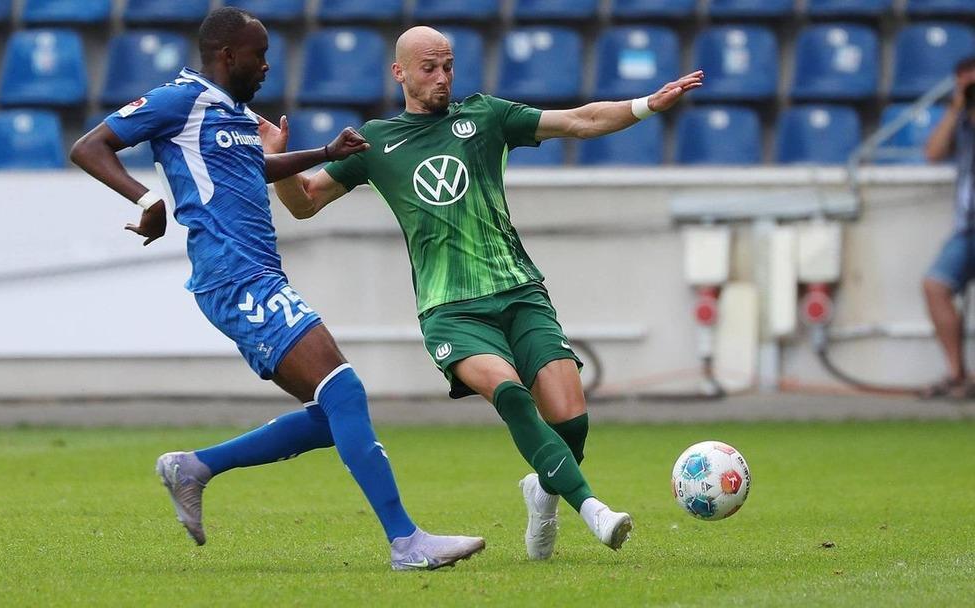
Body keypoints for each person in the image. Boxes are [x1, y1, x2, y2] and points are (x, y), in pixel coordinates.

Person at [69, 8, 484, 571]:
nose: (268, 66)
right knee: (345, 390)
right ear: (227, 56)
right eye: (259, 55)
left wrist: (323, 155)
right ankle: (406, 542)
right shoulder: (178, 100)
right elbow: (90, 146)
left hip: (257, 272)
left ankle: (193, 467)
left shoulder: (232, 112)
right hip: (233, 274)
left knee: (328, 412)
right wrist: (147, 200)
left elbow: (250, 170)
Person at [269, 26, 704, 560]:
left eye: (449, 66)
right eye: (429, 67)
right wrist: (281, 163)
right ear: (399, 72)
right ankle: (594, 511)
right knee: (511, 393)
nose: (443, 77)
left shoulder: (487, 116)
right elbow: (305, 202)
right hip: (450, 309)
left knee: (573, 422)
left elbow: (579, 121)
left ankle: (541, 490)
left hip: (520, 291)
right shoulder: (375, 142)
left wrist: (645, 104)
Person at [921, 56, 975, 399]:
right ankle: (957, 374)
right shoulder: (962, 121)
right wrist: (957, 107)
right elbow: (933, 151)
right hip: (967, 227)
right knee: (935, 285)